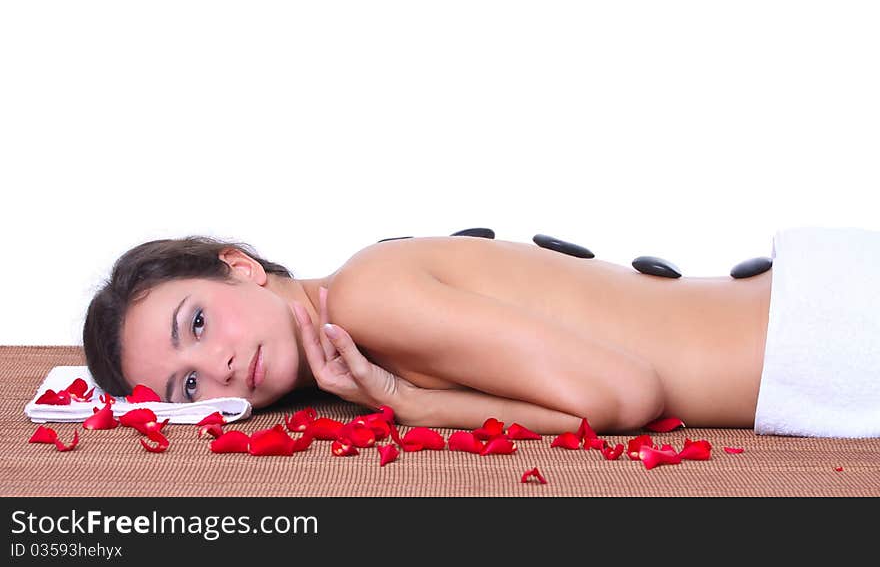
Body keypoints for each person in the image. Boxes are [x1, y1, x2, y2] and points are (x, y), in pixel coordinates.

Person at [83, 233, 773, 435]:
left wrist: (413, 404)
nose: (222, 363)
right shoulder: (362, 299)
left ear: (240, 267)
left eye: (197, 323)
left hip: (815, 336)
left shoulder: (365, 298)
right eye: (190, 384)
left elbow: (628, 396)